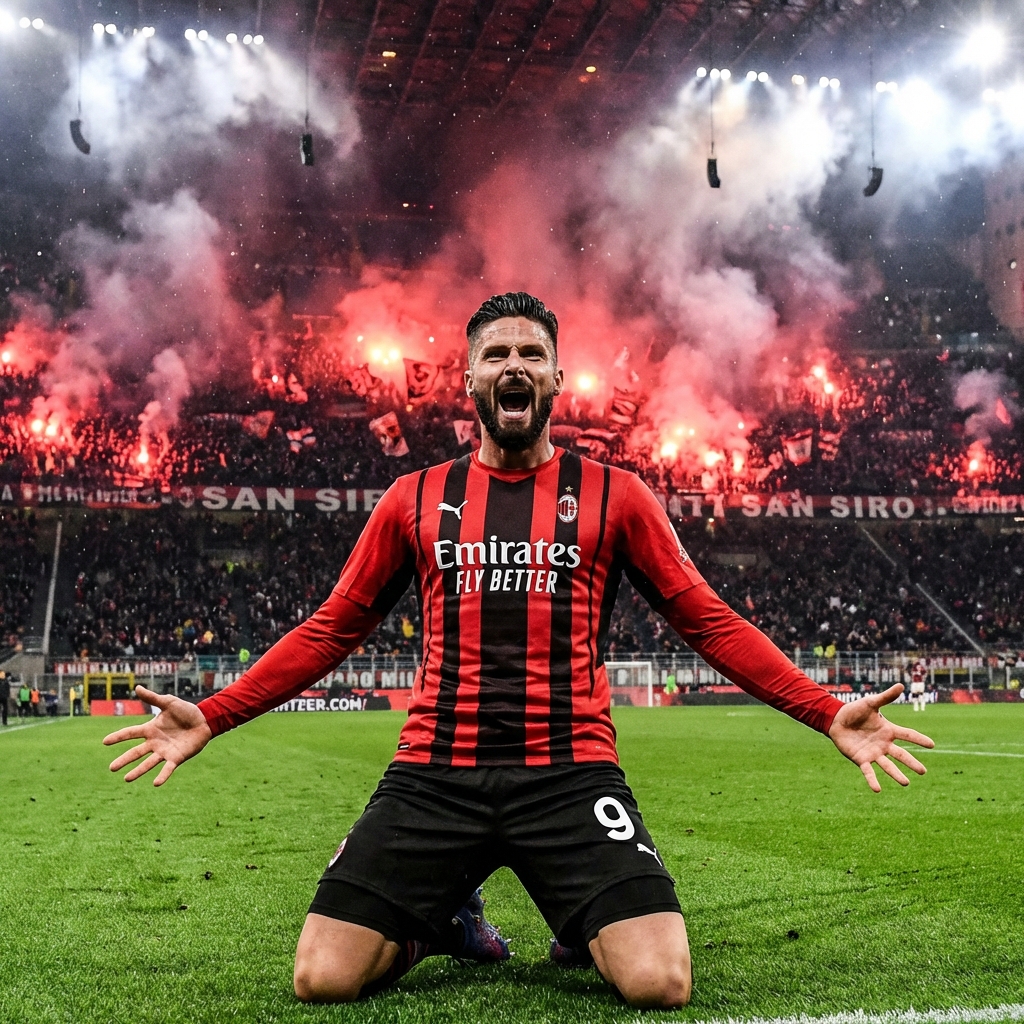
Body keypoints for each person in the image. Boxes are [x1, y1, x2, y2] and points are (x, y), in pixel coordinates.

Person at [104, 292, 934, 1010]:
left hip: (569, 773)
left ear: (555, 380)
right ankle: (449, 918)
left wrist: (826, 712)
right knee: (322, 978)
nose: (514, 365)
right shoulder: (413, 498)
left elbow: (707, 621)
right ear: (469, 380)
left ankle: (582, 925)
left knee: (660, 982)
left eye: (531, 354)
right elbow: (334, 627)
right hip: (436, 771)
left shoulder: (618, 495)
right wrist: (212, 715)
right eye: (495, 353)